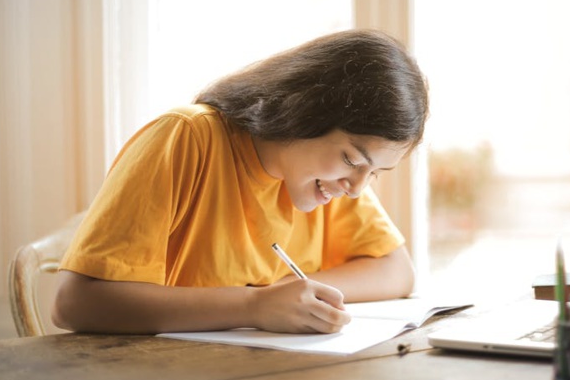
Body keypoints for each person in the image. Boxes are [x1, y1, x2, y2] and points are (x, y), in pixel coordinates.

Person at [52, 29, 429, 335]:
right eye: (352, 160)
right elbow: (74, 303)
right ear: (304, 111)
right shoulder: (185, 138)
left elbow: (397, 271)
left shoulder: (330, 180)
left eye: (375, 173)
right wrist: (254, 306)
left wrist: (291, 294)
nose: (357, 188)